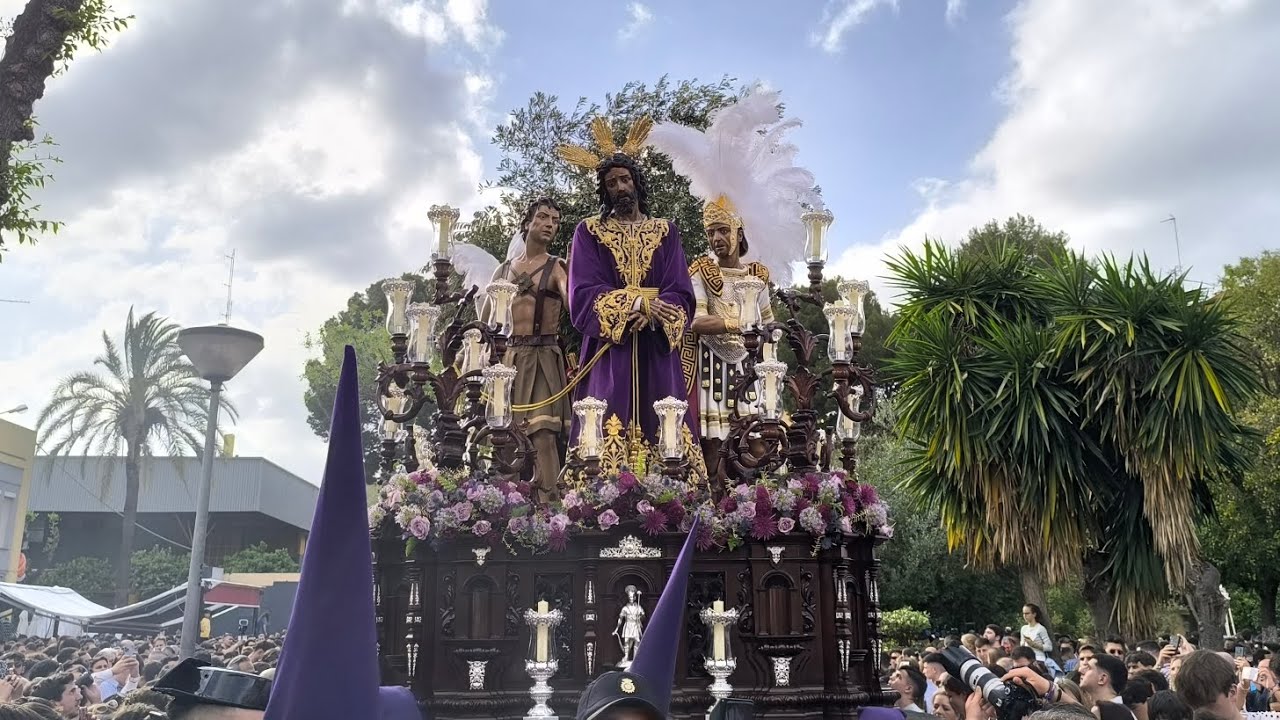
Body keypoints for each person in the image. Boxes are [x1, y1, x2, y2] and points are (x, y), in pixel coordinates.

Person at [648, 88, 819, 486]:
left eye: (722, 230)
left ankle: (748, 510)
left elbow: (771, 327)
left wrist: (771, 359)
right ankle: (714, 516)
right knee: (713, 449)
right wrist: (736, 324)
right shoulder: (700, 271)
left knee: (757, 444)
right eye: (710, 231)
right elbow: (694, 321)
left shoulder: (757, 276)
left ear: (738, 230)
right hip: (711, 373)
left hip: (750, 369)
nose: (716, 238)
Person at [557, 117, 698, 474]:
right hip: (609, 350)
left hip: (656, 349)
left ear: (636, 182)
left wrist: (654, 312)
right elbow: (582, 292)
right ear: (604, 191)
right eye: (611, 183)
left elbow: (681, 290)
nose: (620, 187)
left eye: (624, 179)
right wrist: (634, 303)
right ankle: (597, 501)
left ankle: (671, 498)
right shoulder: (588, 231)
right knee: (603, 424)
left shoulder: (665, 231)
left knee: (664, 423)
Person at [487, 196, 571, 500]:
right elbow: (485, 321)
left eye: (555, 221)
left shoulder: (558, 267)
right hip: (508, 359)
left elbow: (574, 304)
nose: (550, 224)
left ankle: (551, 510)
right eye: (543, 217)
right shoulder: (503, 271)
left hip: (543, 359)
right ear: (527, 223)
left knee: (543, 435)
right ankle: (502, 507)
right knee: (504, 435)